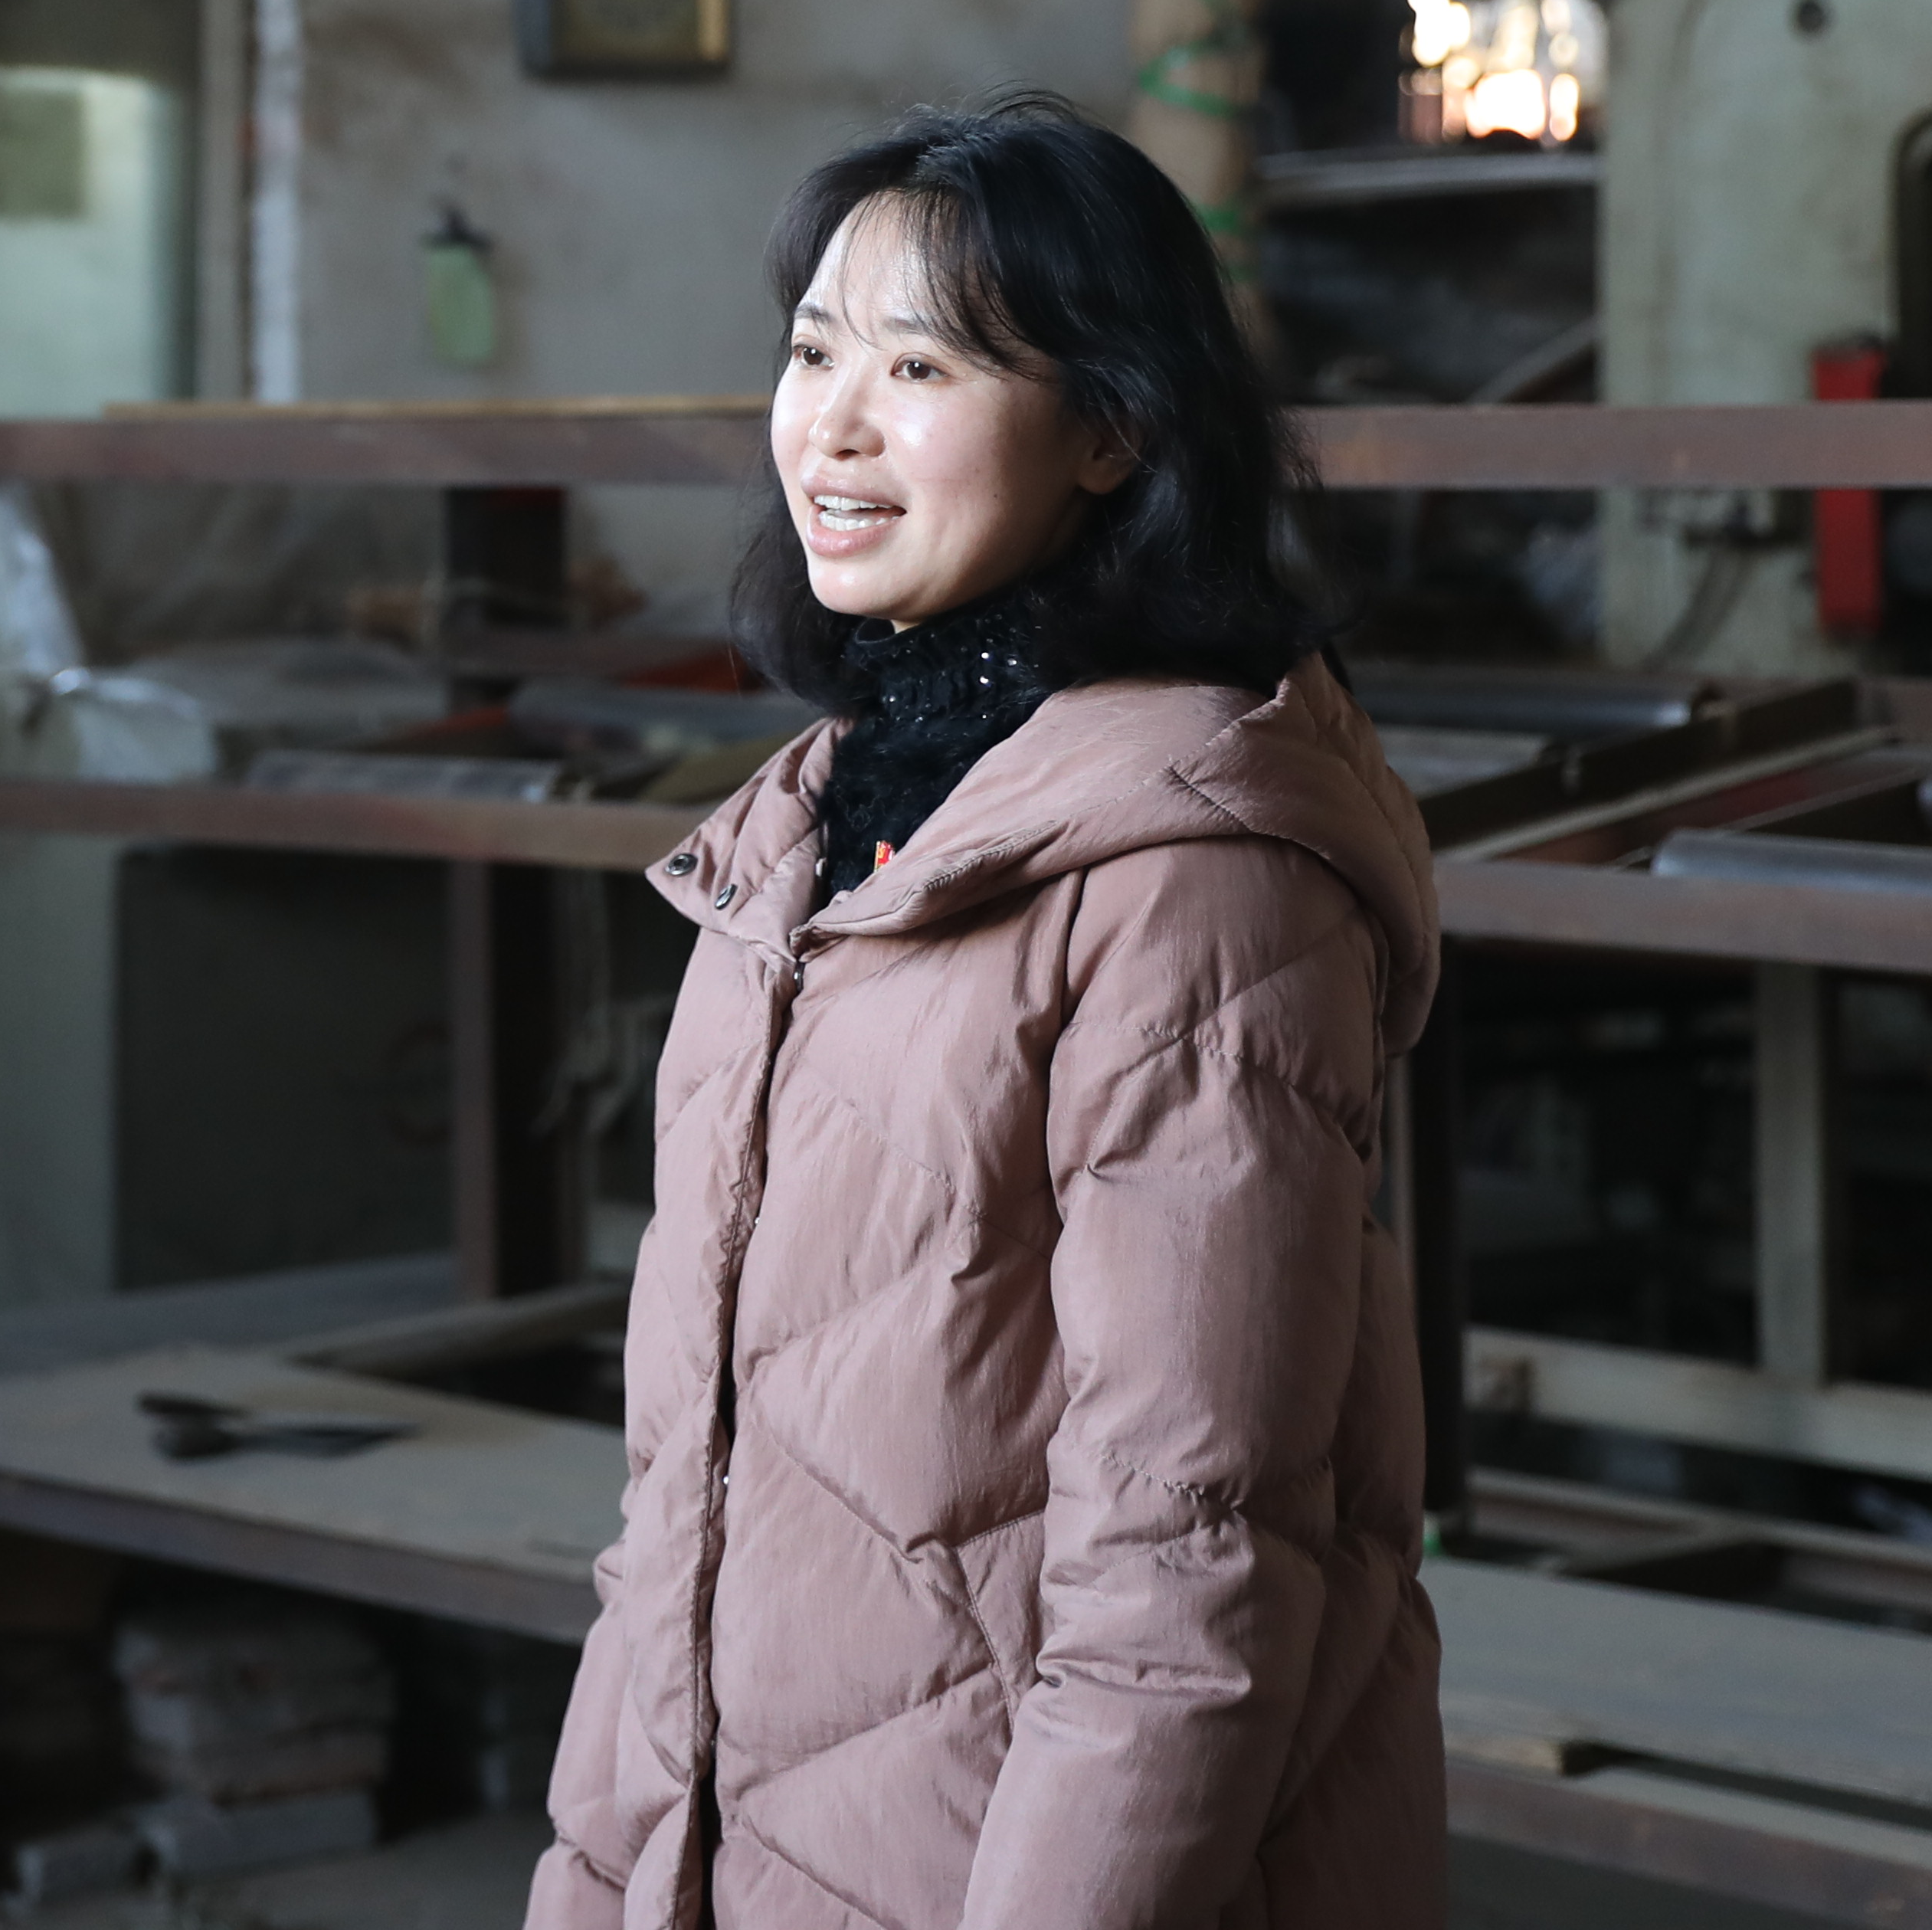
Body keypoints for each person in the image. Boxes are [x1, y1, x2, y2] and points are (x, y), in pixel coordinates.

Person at [532, 93, 1444, 1929]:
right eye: (814, 353)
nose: (833, 425)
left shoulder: (1197, 878)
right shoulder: (800, 842)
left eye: (922, 366)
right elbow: (678, 1510)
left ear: (1113, 427)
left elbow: (1185, 1565)